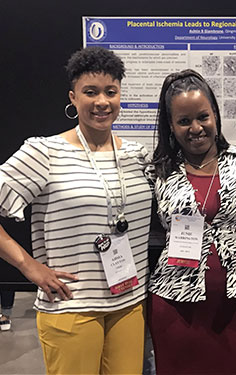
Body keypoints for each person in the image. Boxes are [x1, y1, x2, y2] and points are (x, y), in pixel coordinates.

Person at [0, 46, 152, 374]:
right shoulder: (45, 151)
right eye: (90, 92)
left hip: (128, 304)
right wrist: (27, 266)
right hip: (72, 307)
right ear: (73, 97)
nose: (102, 101)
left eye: (110, 92)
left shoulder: (137, 155)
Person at [148, 69, 236, 374]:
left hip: (234, 308)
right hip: (175, 308)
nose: (195, 128)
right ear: (171, 125)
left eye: (203, 117)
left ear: (215, 116)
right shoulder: (158, 171)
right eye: (184, 121)